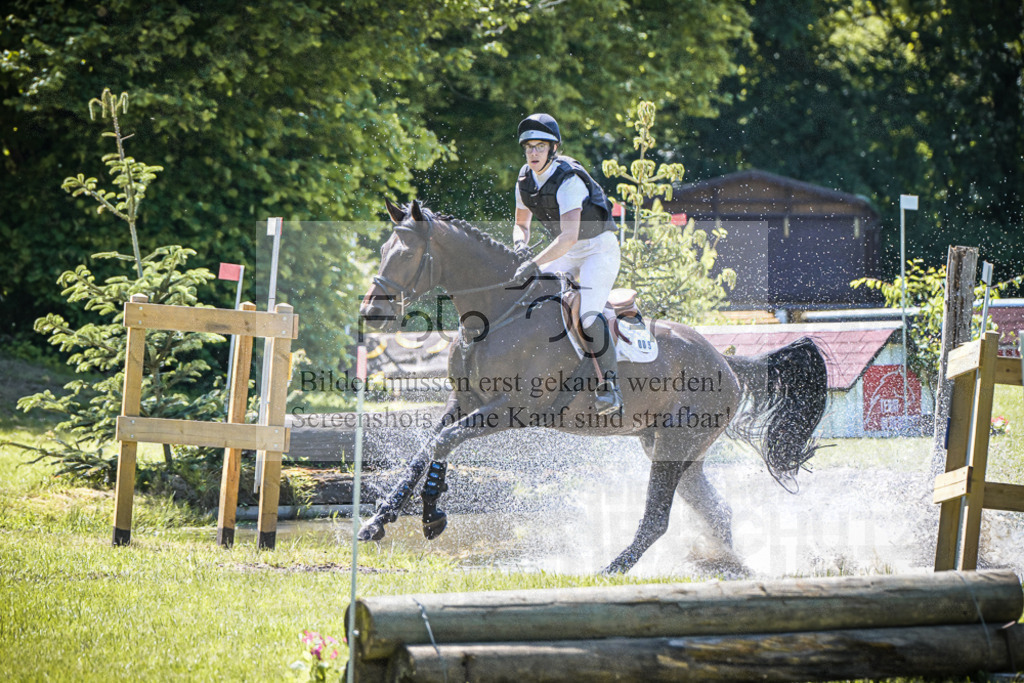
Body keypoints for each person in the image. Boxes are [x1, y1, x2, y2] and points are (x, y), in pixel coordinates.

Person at [511, 113, 623, 416]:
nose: (533, 153)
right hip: (565, 249)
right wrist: (520, 244)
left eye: (539, 147)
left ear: (553, 148)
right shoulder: (524, 179)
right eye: (528, 148)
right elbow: (521, 224)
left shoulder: (568, 180)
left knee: (587, 315)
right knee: (524, 296)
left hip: (596, 250)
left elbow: (569, 237)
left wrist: (534, 262)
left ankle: (610, 388)